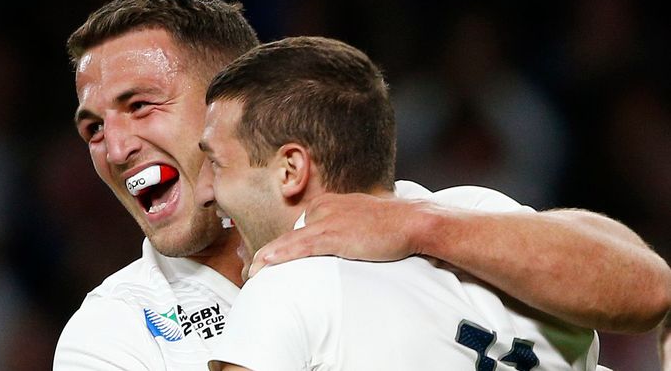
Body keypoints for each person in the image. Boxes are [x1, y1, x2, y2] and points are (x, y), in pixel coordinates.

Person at [54, 0, 671, 370]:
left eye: (140, 105)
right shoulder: (111, 331)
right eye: (92, 129)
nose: (114, 147)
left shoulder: (447, 216)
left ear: (228, 98)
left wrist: (425, 228)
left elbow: (647, 291)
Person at [198, 36, 610, 370]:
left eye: (216, 164)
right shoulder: (492, 217)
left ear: (291, 170)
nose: (206, 192)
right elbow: (649, 290)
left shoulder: (286, 290)